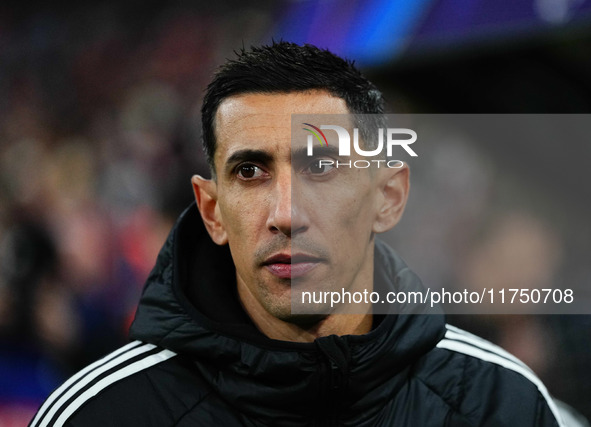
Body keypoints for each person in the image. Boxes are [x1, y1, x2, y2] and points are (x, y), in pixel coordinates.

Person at [29, 42, 567, 427]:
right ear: (211, 211)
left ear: (388, 197)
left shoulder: (502, 401)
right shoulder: (100, 412)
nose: (286, 213)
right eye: (249, 172)